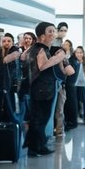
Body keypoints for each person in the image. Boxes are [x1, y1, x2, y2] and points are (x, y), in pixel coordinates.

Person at [24, 22, 65, 157]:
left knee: (38, 118)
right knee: (41, 119)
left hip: (40, 88)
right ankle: (38, 147)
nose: (53, 34)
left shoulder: (36, 48)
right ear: (42, 36)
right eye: (50, 32)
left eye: (54, 31)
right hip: (43, 89)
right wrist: (58, 57)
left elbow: (23, 57)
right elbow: (42, 66)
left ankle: (34, 146)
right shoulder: (41, 49)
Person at [53, 22, 69, 136]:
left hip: (61, 78)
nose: (63, 32)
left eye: (65, 31)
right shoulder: (54, 43)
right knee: (56, 107)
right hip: (54, 77)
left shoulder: (62, 44)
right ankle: (56, 129)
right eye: (61, 30)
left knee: (60, 107)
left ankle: (59, 129)